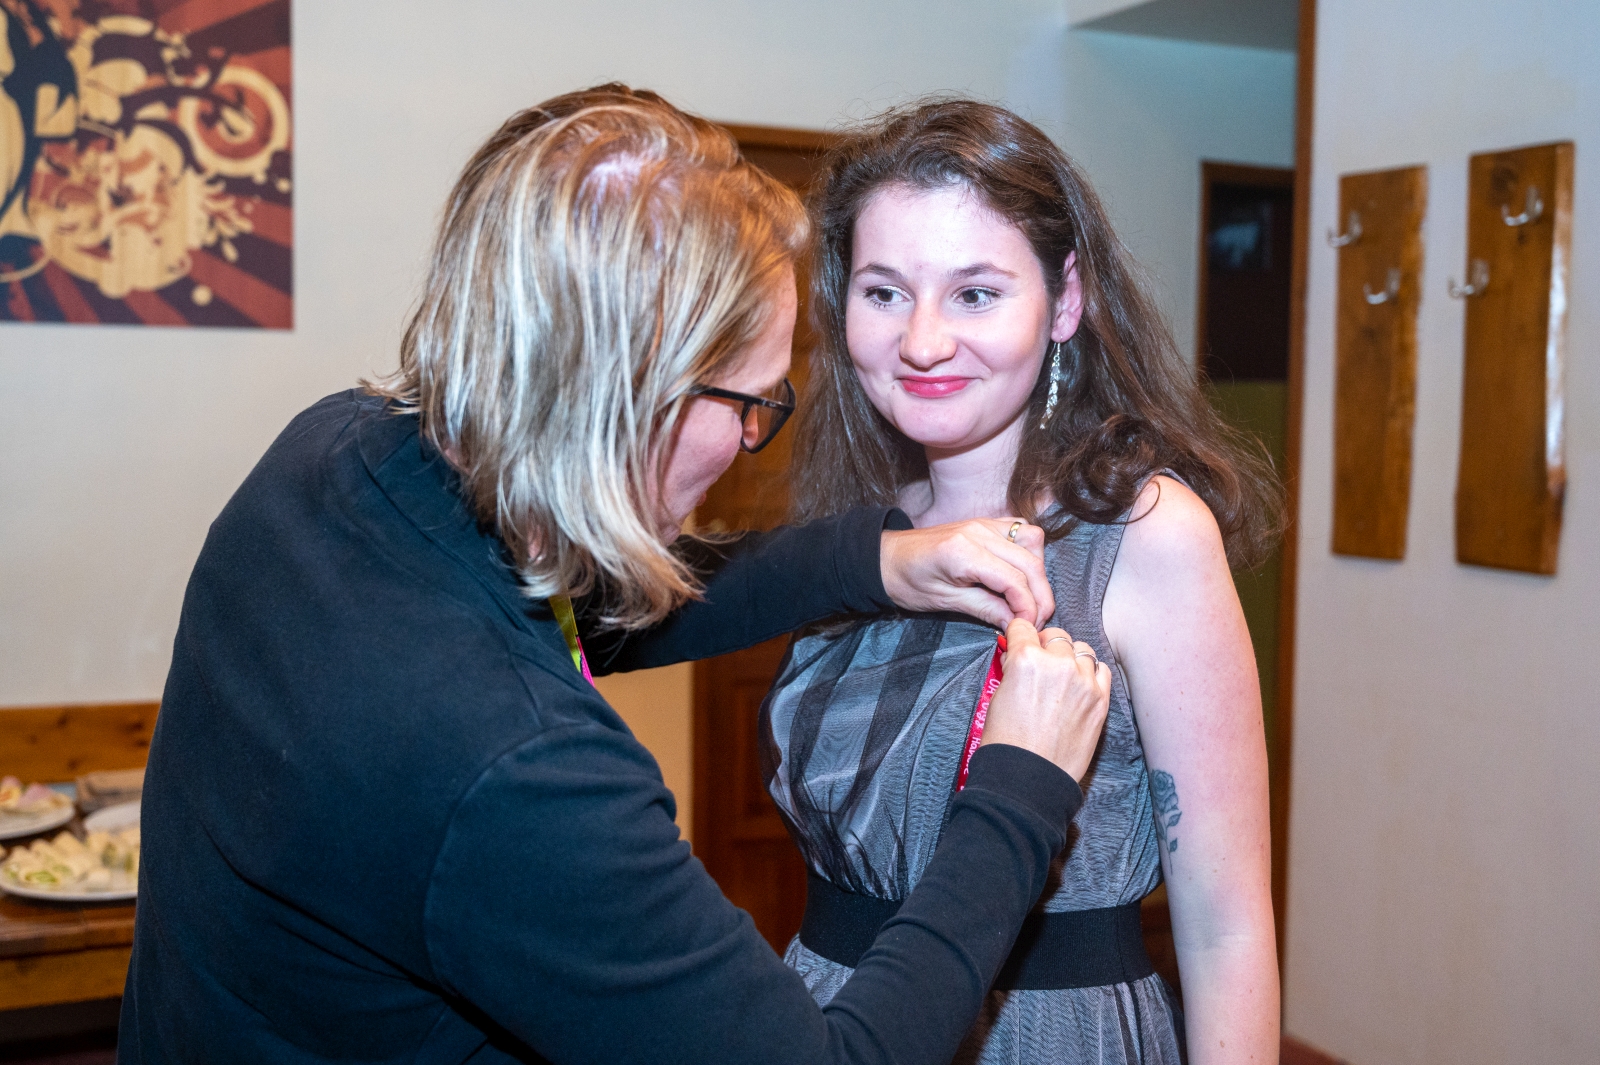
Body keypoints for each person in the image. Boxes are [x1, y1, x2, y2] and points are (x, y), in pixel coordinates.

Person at [117, 86, 1116, 1065]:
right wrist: (1018, 786)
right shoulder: (517, 768)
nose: (750, 441)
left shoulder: (337, 456)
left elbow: (574, 611)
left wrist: (869, 559)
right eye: (752, 405)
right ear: (631, 397)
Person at [760, 100, 1282, 1064]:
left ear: (1065, 300)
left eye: (974, 293)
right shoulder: (858, 539)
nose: (922, 341)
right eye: (884, 292)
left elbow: (1226, 925)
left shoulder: (1147, 534)